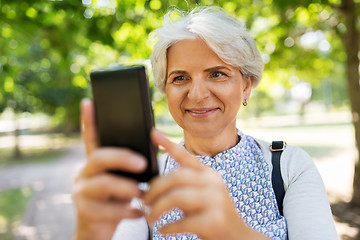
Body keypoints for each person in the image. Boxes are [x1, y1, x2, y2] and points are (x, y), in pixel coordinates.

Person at [73, 6, 339, 240]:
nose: (197, 94)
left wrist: (234, 233)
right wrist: (88, 235)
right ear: (165, 90)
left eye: (216, 74)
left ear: (246, 86)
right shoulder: (143, 181)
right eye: (179, 78)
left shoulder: (290, 166)